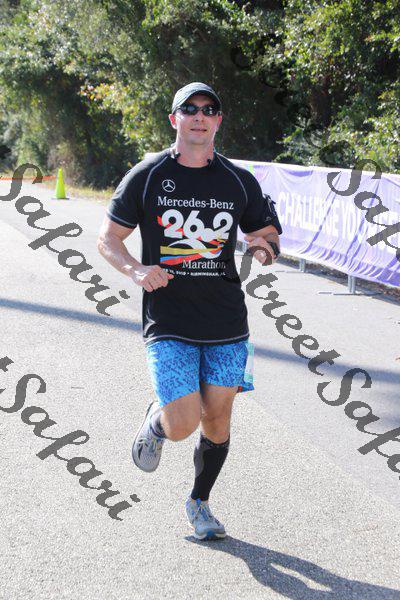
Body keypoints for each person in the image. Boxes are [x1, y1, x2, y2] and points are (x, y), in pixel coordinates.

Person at [97, 82, 282, 540]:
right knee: (183, 423)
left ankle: (199, 502)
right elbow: (108, 239)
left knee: (217, 420)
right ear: (174, 118)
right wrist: (137, 270)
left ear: (218, 120)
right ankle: (159, 422)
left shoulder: (237, 179)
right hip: (170, 320)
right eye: (190, 108)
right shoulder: (147, 175)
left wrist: (263, 248)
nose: (200, 116)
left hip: (226, 321)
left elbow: (269, 235)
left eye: (209, 109)